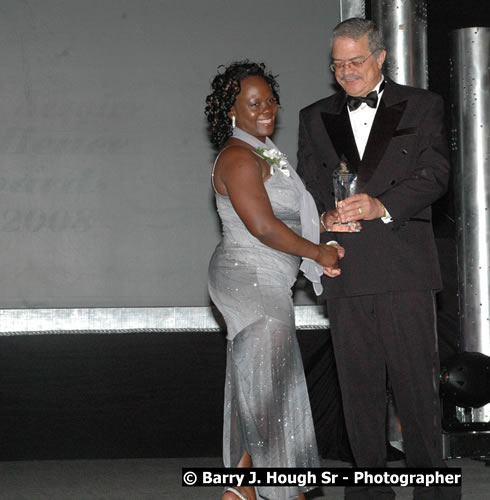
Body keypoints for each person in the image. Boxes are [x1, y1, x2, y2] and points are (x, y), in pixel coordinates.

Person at [297, 18, 459, 500]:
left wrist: (380, 205)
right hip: (345, 269)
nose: (346, 73)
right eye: (338, 64)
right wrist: (323, 216)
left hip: (404, 271)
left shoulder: (423, 104)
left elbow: (435, 175)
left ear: (381, 57)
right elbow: (306, 185)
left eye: (356, 62)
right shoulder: (313, 116)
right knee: (359, 395)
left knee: (417, 393)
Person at [204, 60, 344, 500]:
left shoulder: (263, 153)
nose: (266, 108)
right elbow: (263, 226)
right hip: (252, 278)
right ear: (232, 111)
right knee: (274, 394)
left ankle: (241, 489)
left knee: (259, 385)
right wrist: (318, 252)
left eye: (269, 99)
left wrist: (323, 221)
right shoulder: (238, 157)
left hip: (261, 277)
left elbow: (282, 215)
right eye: (253, 102)